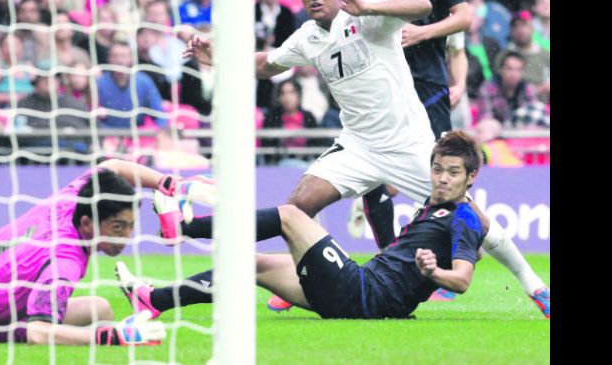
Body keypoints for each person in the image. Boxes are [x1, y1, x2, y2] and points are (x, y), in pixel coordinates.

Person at [186, 0, 551, 318]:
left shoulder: (367, 8)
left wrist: (364, 5)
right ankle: (310, 274)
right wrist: (217, 56)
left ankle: (535, 286)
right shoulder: (308, 37)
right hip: (357, 146)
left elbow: (422, 3)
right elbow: (267, 65)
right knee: (297, 206)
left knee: (476, 220)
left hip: (407, 144)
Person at [117, 132, 550, 320]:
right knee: (252, 264)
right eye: (437, 169)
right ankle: (154, 299)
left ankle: (187, 227)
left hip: (365, 292)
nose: (441, 178)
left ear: (471, 178)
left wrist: (435, 273)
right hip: (363, 293)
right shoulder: (436, 205)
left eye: (452, 172)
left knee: (292, 216)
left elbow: (462, 281)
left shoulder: (465, 217)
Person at [0, 159, 170, 345]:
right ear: (88, 224)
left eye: (131, 226)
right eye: (117, 227)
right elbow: (38, 333)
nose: (126, 237)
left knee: (99, 309)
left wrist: (165, 182)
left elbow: (112, 167)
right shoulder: (65, 262)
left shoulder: (71, 198)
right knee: (96, 316)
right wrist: (110, 336)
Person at [360, 0, 473, 256]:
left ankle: (462, 255)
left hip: (426, 85)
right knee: (373, 180)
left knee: (441, 178)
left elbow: (463, 17)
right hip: (385, 89)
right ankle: (389, 259)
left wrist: (423, 32)